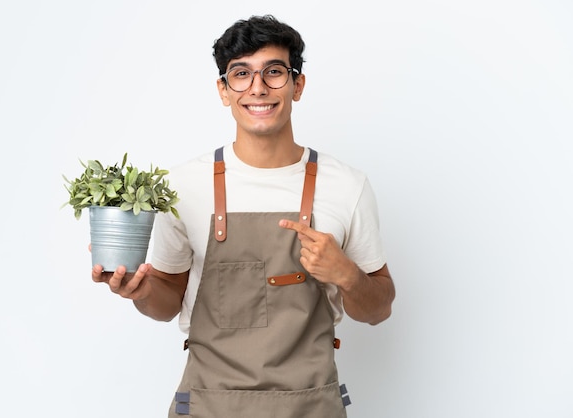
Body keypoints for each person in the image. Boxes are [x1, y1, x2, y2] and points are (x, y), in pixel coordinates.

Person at [92, 14, 395, 418]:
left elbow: (379, 309)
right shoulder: (184, 186)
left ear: (297, 84)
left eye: (274, 72)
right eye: (241, 74)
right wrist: (141, 292)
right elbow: (166, 302)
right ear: (223, 89)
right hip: (208, 405)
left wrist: (346, 274)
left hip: (310, 406)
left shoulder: (347, 186)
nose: (258, 88)